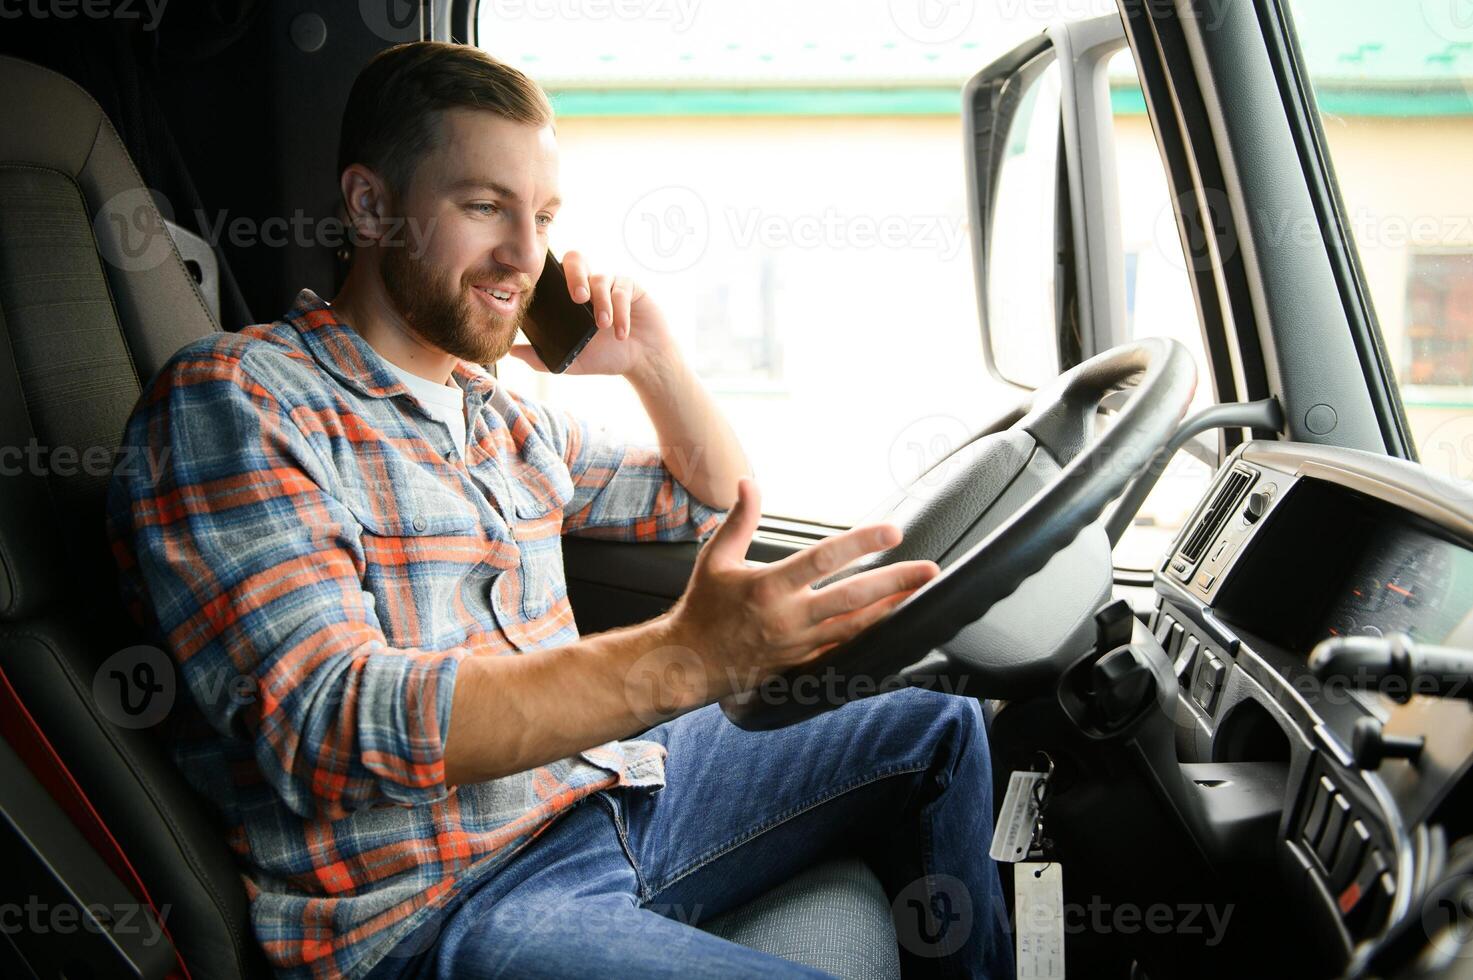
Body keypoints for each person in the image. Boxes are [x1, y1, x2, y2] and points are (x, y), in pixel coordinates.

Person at [105, 40, 1012, 980]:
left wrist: (651, 365)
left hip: (598, 799)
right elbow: (331, 723)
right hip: (441, 910)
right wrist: (687, 658)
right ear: (370, 204)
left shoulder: (493, 412)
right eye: (484, 206)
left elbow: (705, 503)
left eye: (541, 216)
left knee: (934, 718)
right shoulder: (237, 400)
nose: (523, 256)